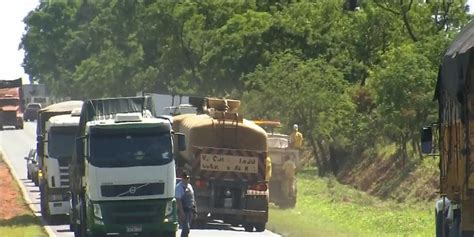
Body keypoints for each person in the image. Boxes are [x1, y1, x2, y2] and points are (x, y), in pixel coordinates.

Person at [176, 171, 196, 237]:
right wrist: (181, 212)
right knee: (186, 227)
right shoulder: (179, 187)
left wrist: (195, 210)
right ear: (182, 178)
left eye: (188, 178)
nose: (187, 180)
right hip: (184, 210)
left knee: (188, 228)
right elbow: (178, 200)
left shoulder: (189, 186)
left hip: (190, 210)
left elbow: (192, 198)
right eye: (185, 178)